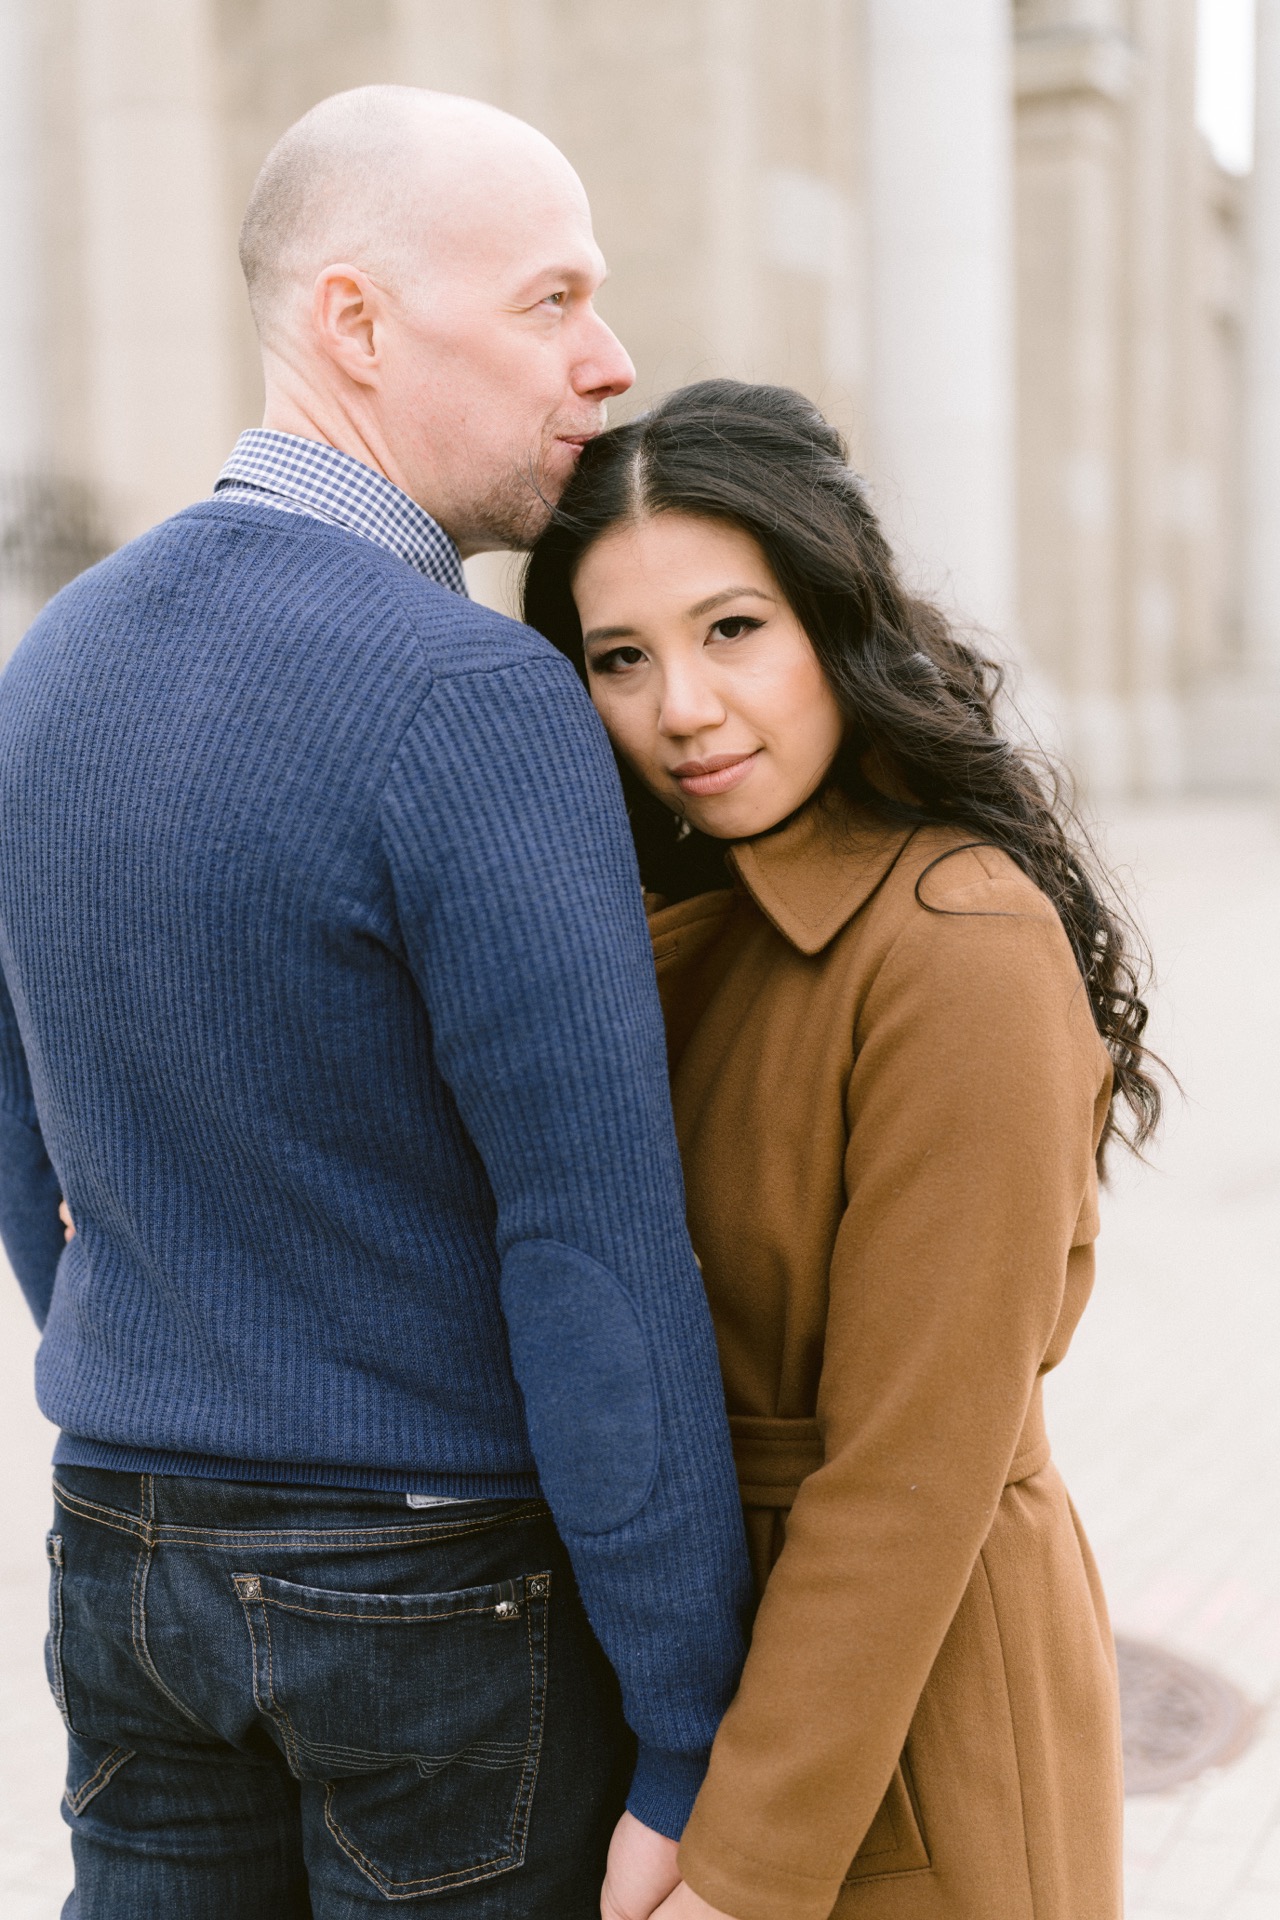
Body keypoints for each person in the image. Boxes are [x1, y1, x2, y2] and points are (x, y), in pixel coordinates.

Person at [0, 91, 751, 1918]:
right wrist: (692, 1729)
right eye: (549, 300)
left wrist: (148, 1362)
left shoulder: (50, 663)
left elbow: (22, 1133)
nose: (608, 361)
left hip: (122, 1549)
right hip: (427, 1598)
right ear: (356, 320)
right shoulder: (472, 698)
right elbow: (590, 1250)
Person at [526, 380, 1163, 1920]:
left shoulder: (955, 945)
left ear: (835, 618)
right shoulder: (681, 918)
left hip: (896, 1714)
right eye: (622, 658)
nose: (683, 707)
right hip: (721, 1673)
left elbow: (910, 1473)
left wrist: (745, 1869)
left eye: (733, 629)